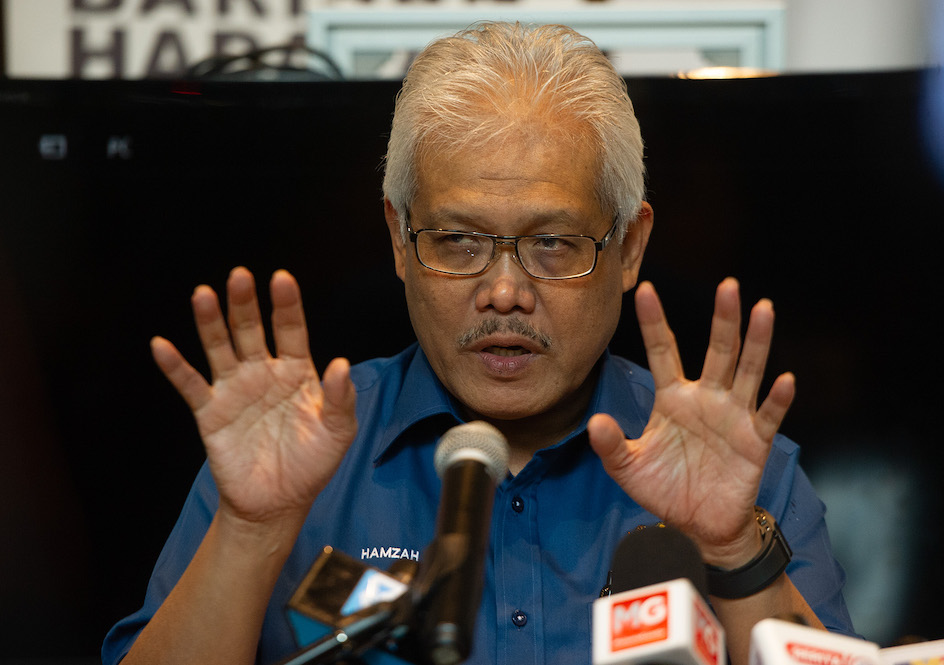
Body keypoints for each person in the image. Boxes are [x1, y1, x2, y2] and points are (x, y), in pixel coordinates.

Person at [102, 21, 853, 665]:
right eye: (458, 240)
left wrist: (732, 550)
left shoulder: (739, 475)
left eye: (553, 243)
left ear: (629, 247)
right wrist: (252, 530)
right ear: (398, 236)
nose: (503, 291)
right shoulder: (291, 457)